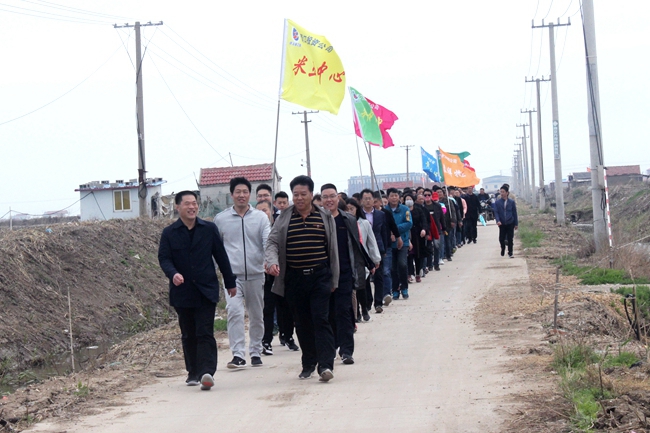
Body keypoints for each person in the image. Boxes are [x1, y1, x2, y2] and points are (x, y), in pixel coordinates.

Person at [158, 191, 237, 391]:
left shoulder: (209, 229)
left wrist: (230, 282)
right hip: (182, 291)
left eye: (194, 203)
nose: (192, 207)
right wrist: (173, 274)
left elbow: (221, 256)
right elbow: (164, 259)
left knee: (205, 332)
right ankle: (192, 371)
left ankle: (206, 372)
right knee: (188, 333)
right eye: (187, 204)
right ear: (178, 207)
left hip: (206, 290)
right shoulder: (169, 233)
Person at [265, 175, 338, 382]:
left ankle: (325, 365)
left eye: (303, 194)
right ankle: (308, 363)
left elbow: (333, 250)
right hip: (294, 278)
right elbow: (272, 242)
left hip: (320, 276)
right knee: (302, 322)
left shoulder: (324, 217)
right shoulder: (284, 217)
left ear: (311, 194)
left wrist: (334, 279)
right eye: (295, 194)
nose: (299, 198)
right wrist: (272, 261)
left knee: (321, 319)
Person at [214, 178, 270, 369]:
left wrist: (269, 261)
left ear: (250, 194)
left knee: (256, 315)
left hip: (256, 273)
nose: (241, 195)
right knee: (234, 312)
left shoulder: (260, 218)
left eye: (245, 192)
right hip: (232, 277)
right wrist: (216, 270)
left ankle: (255, 351)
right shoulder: (221, 219)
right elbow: (216, 248)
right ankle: (238, 354)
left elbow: (267, 241)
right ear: (232, 194)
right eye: (238, 192)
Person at [321, 185, 374, 365]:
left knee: (344, 311)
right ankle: (331, 347)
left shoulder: (348, 219)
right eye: (325, 197)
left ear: (338, 199)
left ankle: (347, 350)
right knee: (328, 313)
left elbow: (357, 245)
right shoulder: (316, 220)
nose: (329, 200)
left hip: (345, 273)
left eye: (332, 196)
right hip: (323, 275)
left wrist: (368, 263)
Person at [256, 200, 299, 355]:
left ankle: (287, 336)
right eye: (259, 211)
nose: (262, 214)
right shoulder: (254, 229)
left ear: (272, 212)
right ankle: (266, 340)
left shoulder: (281, 226)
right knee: (267, 308)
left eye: (265, 210)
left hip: (281, 272)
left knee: (285, 307)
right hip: (264, 274)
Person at [359, 189, 389, 313]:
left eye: (370, 198)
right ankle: (368, 302)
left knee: (379, 276)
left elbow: (384, 232)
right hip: (363, 250)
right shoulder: (358, 215)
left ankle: (378, 302)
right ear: (361, 201)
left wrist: (384, 248)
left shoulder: (380, 215)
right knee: (365, 277)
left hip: (378, 248)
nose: (368, 201)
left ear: (374, 200)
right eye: (365, 198)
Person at [385, 188, 412, 300]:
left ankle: (404, 287)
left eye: (396, 195)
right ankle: (395, 289)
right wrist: (389, 232)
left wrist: (395, 230)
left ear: (399, 197)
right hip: (390, 243)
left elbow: (409, 223)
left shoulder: (405, 209)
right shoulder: (384, 211)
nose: (394, 198)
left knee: (402, 264)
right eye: (392, 196)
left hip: (403, 241)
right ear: (388, 197)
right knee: (392, 268)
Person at [494, 184, 518, 258]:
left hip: (510, 222)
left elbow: (514, 213)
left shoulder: (511, 202)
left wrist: (516, 223)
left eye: (503, 192)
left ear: (507, 193)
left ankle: (510, 252)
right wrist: (498, 220)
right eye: (501, 192)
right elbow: (496, 212)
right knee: (501, 238)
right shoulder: (497, 202)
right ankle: (503, 248)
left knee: (510, 238)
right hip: (502, 223)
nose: (502, 193)